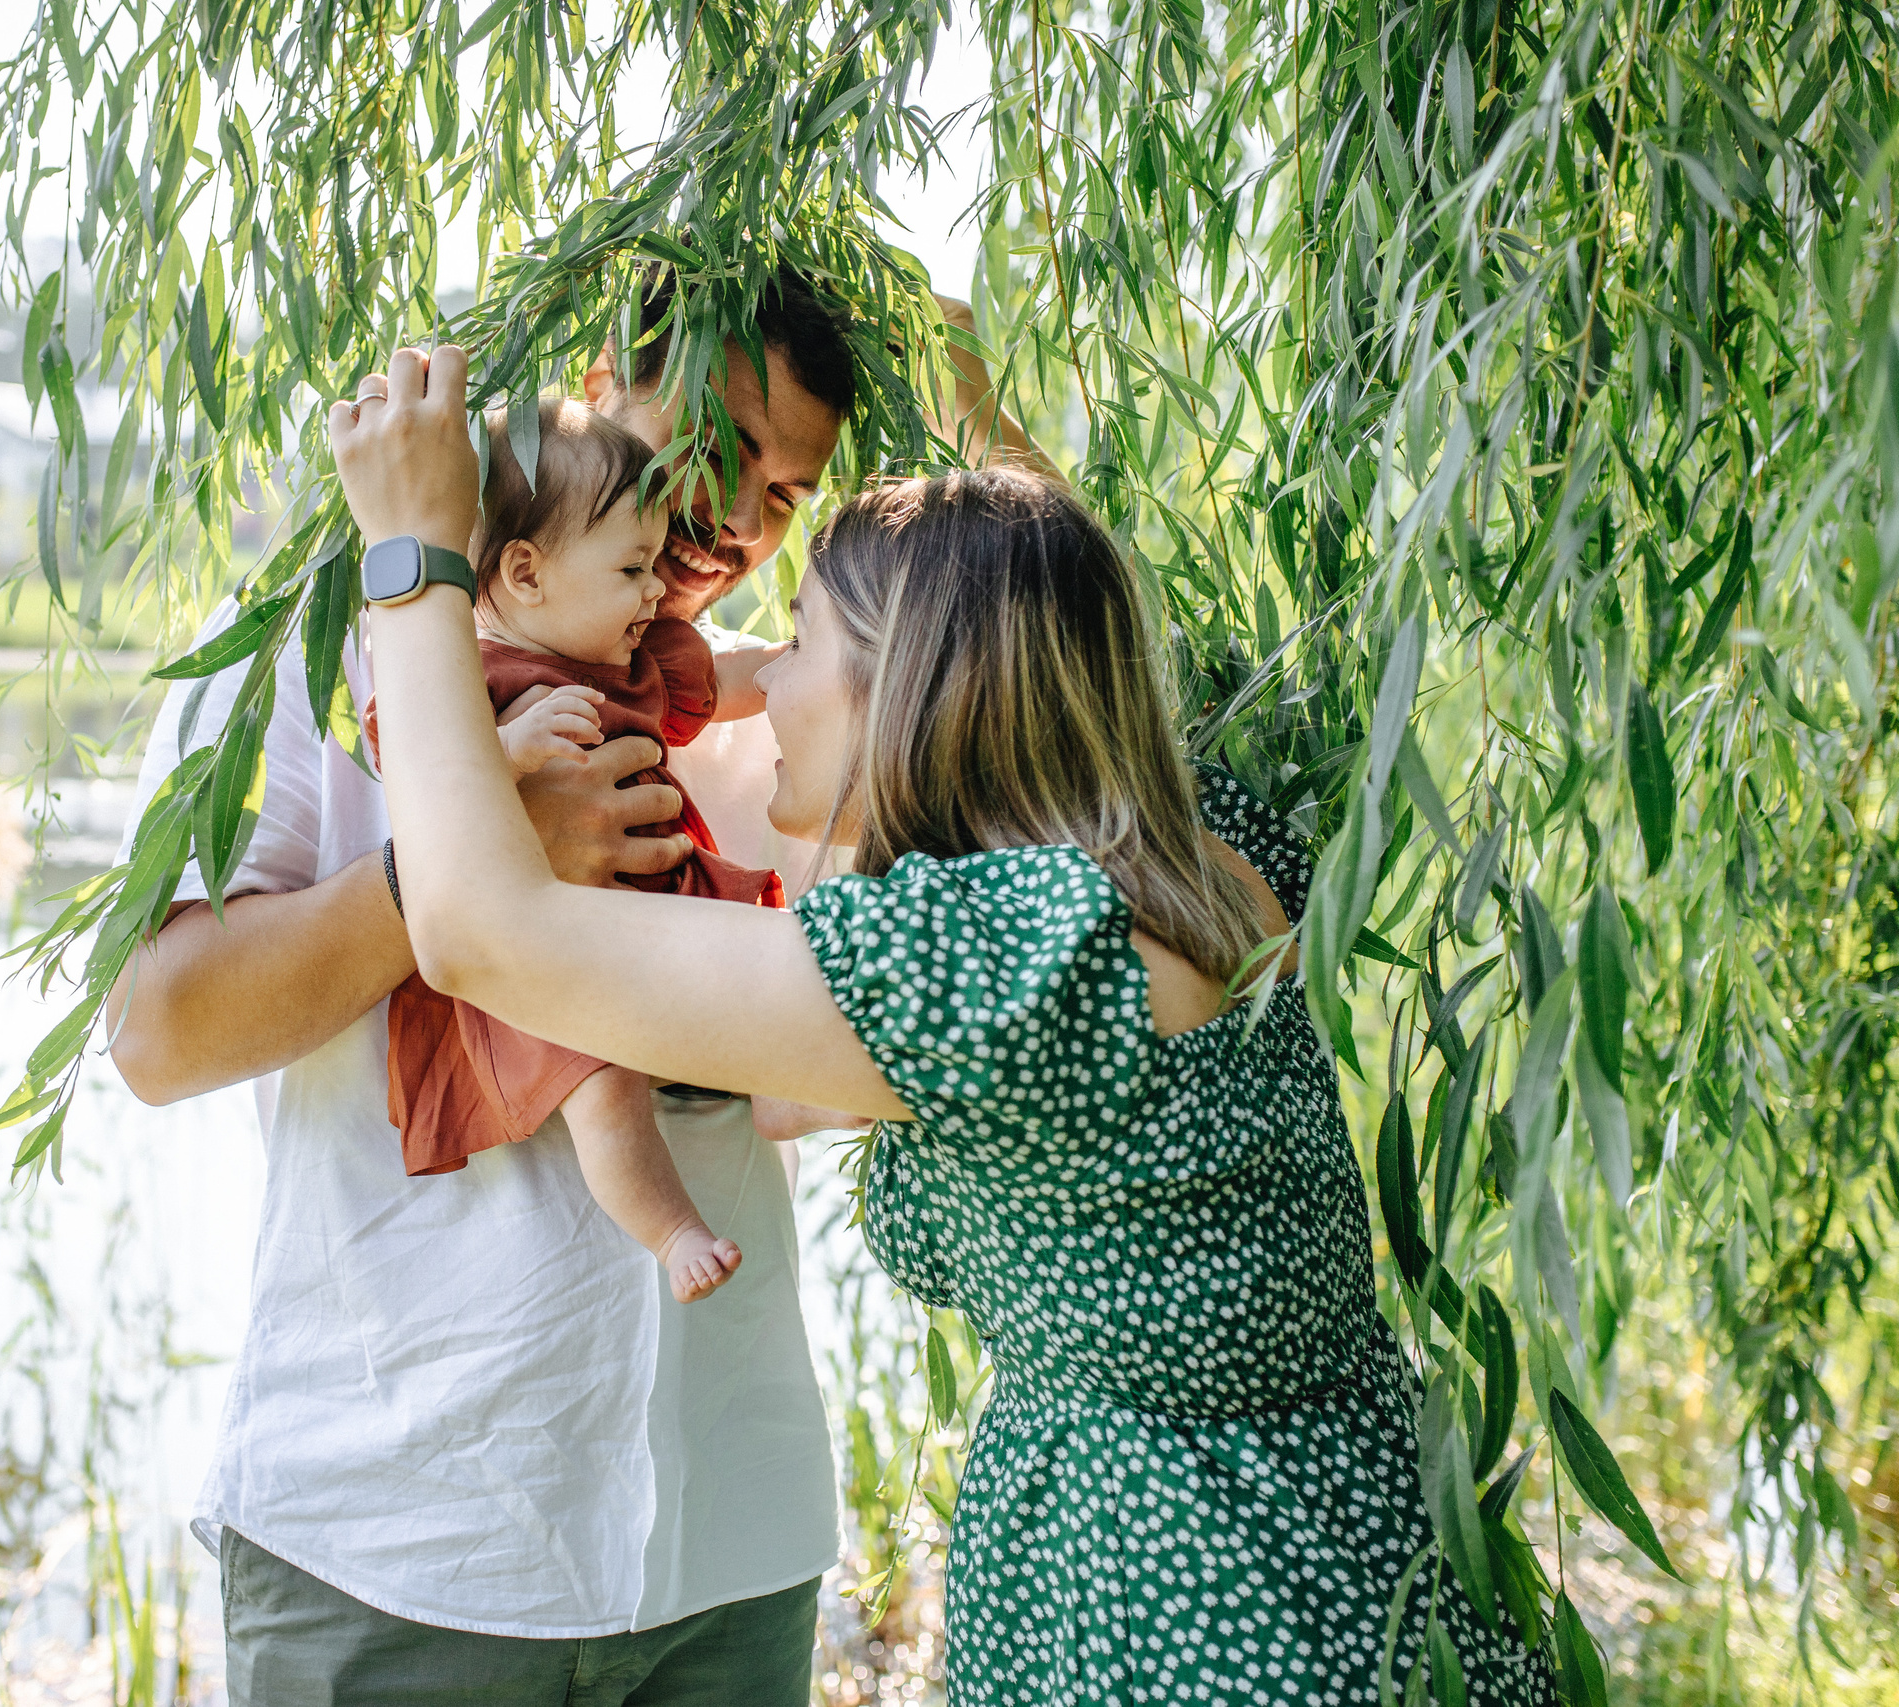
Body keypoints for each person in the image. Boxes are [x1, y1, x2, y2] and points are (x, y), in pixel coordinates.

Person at [333, 343, 1561, 1705]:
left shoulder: (1000, 964)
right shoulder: (1193, 847)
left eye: (804, 644)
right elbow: (1085, 633)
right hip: (1349, 1555)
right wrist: (980, 419)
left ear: (912, 686)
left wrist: (414, 559)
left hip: (1178, 1610)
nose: (764, 679)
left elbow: (478, 932)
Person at [106, 264, 878, 1703]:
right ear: (595, 373)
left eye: (786, 488)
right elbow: (159, 1029)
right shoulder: (323, 643)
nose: (738, 515)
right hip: (406, 1544)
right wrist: (467, 863)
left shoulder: (794, 702)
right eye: (719, 437)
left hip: (732, 1538)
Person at [373, 399, 781, 1305]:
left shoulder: (635, 657)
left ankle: (786, 1087)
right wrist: (508, 751)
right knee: (605, 1088)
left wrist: (810, 663)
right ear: (525, 572)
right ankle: (673, 1232)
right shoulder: (467, 675)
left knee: (756, 992)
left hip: (648, 924)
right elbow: (412, 762)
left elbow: (730, 683)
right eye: (633, 567)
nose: (655, 591)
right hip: (545, 954)